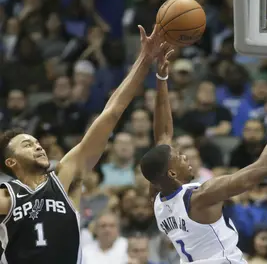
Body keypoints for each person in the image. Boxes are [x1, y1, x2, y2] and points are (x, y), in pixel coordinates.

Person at [0, 24, 166, 264]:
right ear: (11, 161)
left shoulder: (64, 179)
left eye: (36, 142)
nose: (37, 146)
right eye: (26, 145)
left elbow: (110, 114)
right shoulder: (7, 196)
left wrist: (144, 59)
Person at [140, 44, 267, 263]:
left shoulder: (158, 201)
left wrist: (162, 78)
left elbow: (162, 136)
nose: (185, 157)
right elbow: (265, 167)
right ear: (171, 173)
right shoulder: (201, 197)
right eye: (179, 157)